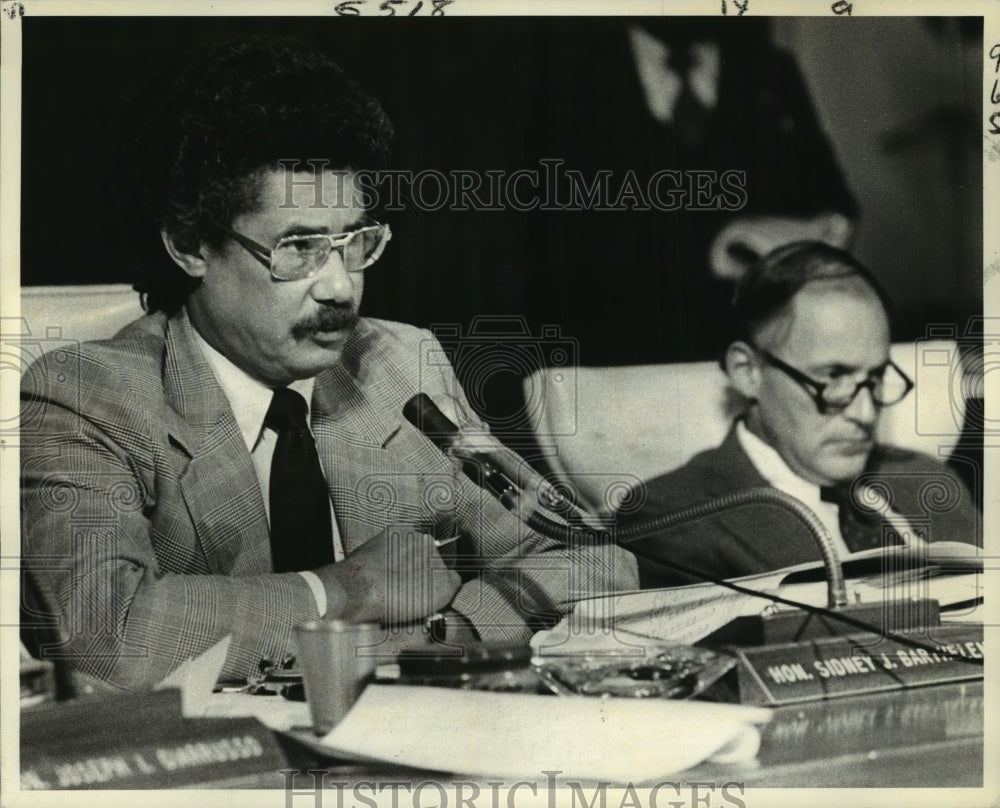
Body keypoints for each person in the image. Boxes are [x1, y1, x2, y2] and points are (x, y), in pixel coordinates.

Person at [20, 37, 637, 691]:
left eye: (355, 242)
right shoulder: (85, 398)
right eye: (299, 247)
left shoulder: (399, 363)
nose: (340, 286)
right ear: (189, 245)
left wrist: (443, 636)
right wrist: (344, 590)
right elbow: (108, 637)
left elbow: (587, 558)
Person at [616, 241, 979, 588]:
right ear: (748, 372)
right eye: (833, 378)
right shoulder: (673, 517)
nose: (866, 413)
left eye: (875, 377)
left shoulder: (929, 480)